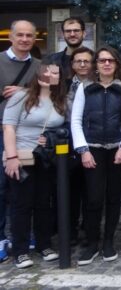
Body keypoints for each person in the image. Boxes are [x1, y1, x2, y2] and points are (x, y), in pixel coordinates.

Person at [71, 46, 121, 264]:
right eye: (102, 60)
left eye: (111, 61)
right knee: (94, 198)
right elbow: (76, 120)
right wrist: (83, 149)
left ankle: (108, 241)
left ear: (116, 65)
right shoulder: (85, 88)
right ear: (96, 65)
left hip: (117, 150)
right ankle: (92, 243)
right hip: (93, 149)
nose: (106, 64)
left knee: (113, 198)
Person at [2, 62, 65, 268]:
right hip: (21, 157)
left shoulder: (60, 101)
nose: (48, 74)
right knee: (21, 205)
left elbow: (65, 127)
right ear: (37, 75)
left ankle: (43, 244)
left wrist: (51, 138)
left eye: (53, 72)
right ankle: (20, 250)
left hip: (45, 159)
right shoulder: (22, 96)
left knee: (43, 203)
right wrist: (11, 157)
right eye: (45, 71)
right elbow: (9, 127)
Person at [0, 20, 40, 263]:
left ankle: (22, 234)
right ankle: (1, 237)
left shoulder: (39, 65)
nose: (25, 39)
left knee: (25, 187)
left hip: (27, 135)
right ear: (11, 37)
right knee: (1, 187)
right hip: (1, 130)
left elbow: (49, 96)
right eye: (20, 35)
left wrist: (23, 92)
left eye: (29, 35)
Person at [65, 46, 94, 245]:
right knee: (71, 188)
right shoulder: (63, 84)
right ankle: (71, 229)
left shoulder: (97, 84)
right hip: (67, 140)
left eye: (86, 61)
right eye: (78, 61)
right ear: (73, 64)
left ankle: (89, 229)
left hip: (92, 140)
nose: (82, 64)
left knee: (90, 188)